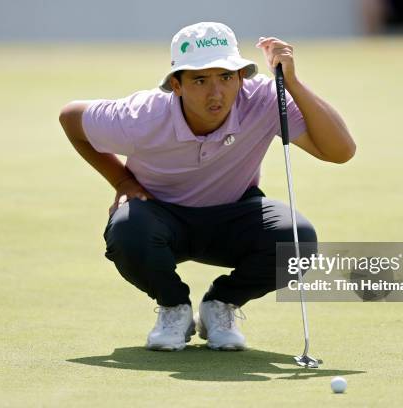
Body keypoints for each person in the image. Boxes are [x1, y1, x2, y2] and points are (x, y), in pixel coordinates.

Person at [59, 22, 355, 352]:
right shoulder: (140, 116)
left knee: (296, 239)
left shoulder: (263, 100)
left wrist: (293, 83)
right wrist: (122, 181)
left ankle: (220, 305)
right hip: (159, 218)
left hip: (234, 216)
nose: (216, 93)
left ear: (241, 76)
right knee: (127, 229)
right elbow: (71, 118)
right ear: (176, 84)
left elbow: (339, 151)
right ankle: (174, 308)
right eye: (200, 80)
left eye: (226, 77)